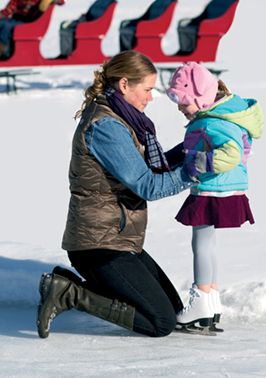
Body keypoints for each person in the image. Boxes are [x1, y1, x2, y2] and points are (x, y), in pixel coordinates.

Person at [36, 51, 199, 338]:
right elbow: (148, 184)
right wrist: (195, 171)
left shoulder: (123, 118)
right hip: (97, 246)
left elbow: (148, 166)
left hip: (119, 239)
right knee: (161, 322)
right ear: (124, 85)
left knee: (172, 309)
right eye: (147, 89)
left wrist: (190, 148)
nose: (150, 98)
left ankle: (65, 284)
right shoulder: (107, 126)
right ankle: (70, 293)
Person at [167, 62, 263, 332]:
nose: (179, 108)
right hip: (221, 188)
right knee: (207, 246)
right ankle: (211, 302)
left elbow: (231, 154)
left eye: (183, 102)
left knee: (200, 246)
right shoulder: (219, 117)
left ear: (199, 98)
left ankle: (200, 302)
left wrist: (197, 162)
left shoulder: (212, 122)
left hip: (213, 189)